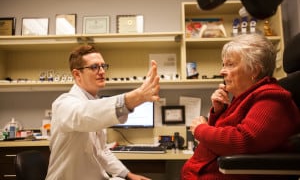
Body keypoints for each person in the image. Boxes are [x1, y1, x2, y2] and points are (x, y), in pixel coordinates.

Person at [181, 33, 300, 180]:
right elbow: (217, 142)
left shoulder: (272, 99)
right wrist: (220, 112)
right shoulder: (244, 98)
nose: (222, 71)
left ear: (254, 71)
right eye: (223, 64)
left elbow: (243, 140)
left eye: (230, 64)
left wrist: (200, 129)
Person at [46, 45, 160, 180]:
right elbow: (84, 115)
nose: (101, 71)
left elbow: (101, 151)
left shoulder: (94, 102)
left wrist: (128, 175)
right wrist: (137, 97)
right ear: (77, 74)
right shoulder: (64, 104)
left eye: (103, 66)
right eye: (94, 67)